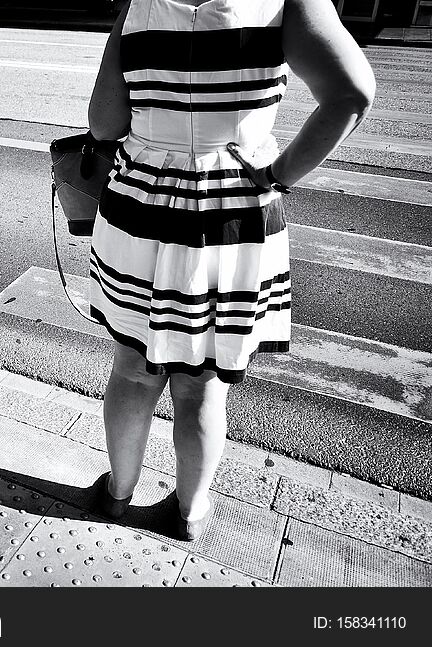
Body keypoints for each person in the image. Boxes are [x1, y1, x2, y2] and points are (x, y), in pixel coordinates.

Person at [87, 0, 375, 539]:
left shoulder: (139, 2)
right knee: (202, 385)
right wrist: (279, 173)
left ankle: (117, 494)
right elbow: (351, 94)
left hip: (140, 208)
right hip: (235, 212)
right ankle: (191, 512)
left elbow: (104, 122)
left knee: (131, 368)